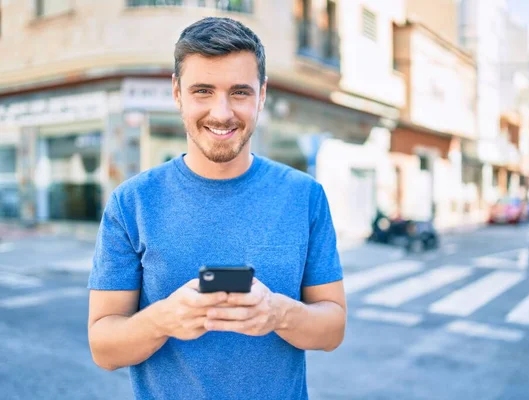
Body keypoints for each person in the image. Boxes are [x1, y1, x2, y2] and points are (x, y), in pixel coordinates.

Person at [87, 16, 346, 400]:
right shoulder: (132, 203)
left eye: (239, 92)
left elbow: (333, 328)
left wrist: (277, 313)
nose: (221, 113)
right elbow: (104, 348)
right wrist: (165, 319)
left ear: (262, 95)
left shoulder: (304, 196)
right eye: (203, 91)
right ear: (177, 93)